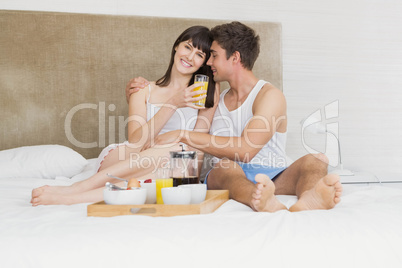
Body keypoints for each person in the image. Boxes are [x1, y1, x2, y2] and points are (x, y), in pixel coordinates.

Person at [129, 22, 342, 212]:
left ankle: (310, 197)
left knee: (315, 160)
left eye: (213, 55)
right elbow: (163, 110)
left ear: (235, 57)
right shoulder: (215, 99)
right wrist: (139, 93)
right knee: (224, 166)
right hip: (228, 177)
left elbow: (247, 150)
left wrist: (183, 135)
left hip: (275, 176)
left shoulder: (269, 96)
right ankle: (258, 198)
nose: (208, 62)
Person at [30, 26, 220, 206]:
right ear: (176, 46)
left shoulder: (205, 94)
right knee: (178, 149)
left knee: (176, 167)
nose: (190, 56)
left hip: (169, 166)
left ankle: (71, 198)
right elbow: (136, 141)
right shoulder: (143, 89)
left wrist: (190, 176)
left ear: (204, 62)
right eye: (187, 47)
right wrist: (173, 103)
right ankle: (77, 187)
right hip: (125, 160)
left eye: (199, 54)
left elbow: (198, 145)